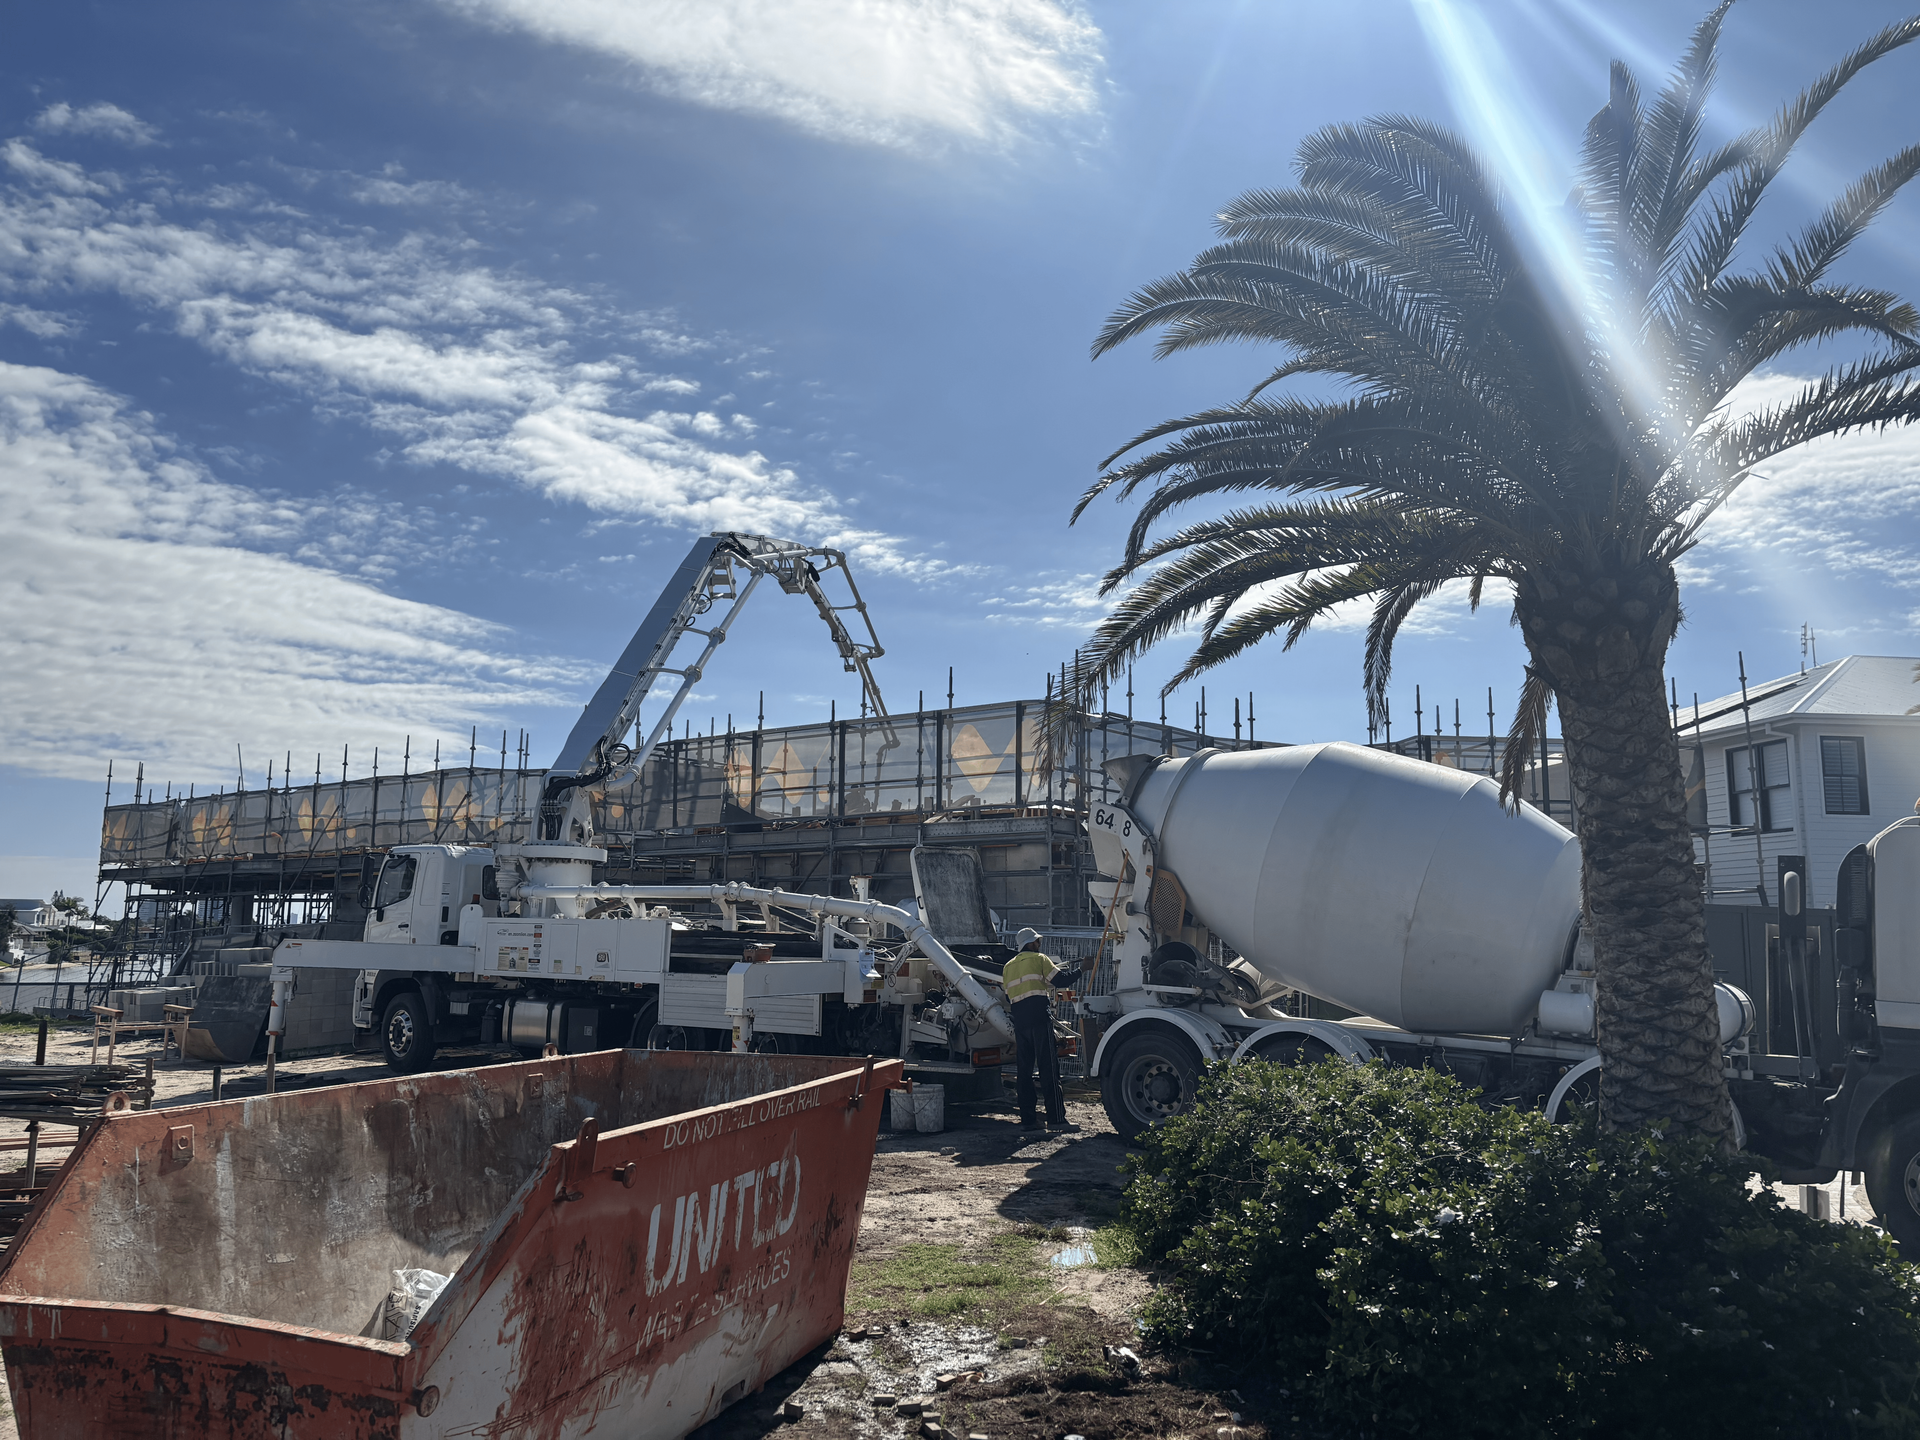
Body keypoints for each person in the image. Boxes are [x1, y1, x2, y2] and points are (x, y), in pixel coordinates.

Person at [1002, 927, 1081, 1129]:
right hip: (1039, 1018)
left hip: (1020, 1022)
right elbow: (1061, 980)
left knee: (1024, 1072)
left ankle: (1028, 1121)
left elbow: (1007, 995)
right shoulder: (1040, 959)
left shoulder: (1008, 967)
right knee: (1048, 1069)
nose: (1039, 944)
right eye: (1037, 941)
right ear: (1032, 943)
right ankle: (1056, 1119)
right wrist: (1083, 969)